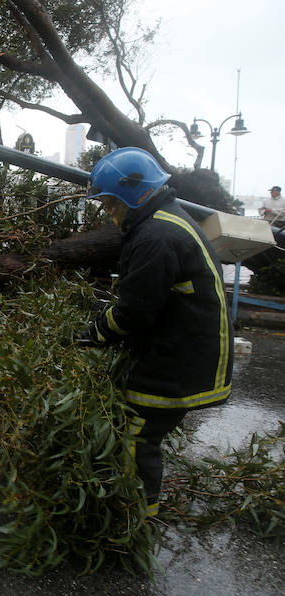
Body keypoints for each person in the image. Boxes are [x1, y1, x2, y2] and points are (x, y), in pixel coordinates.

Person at [76, 147, 233, 517]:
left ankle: (135, 521)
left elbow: (134, 312)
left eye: (112, 203)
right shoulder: (161, 220)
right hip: (182, 345)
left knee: (137, 433)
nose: (110, 212)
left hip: (182, 358)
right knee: (135, 426)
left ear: (132, 194)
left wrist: (91, 335)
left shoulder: (156, 236)